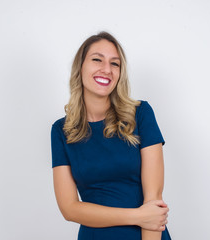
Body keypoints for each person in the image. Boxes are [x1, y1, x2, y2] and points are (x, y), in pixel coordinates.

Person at [51, 31, 171, 240]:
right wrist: (137, 216)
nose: (106, 69)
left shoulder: (140, 114)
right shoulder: (61, 131)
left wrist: (145, 219)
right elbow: (69, 209)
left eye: (115, 64)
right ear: (80, 67)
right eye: (97, 59)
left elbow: (154, 204)